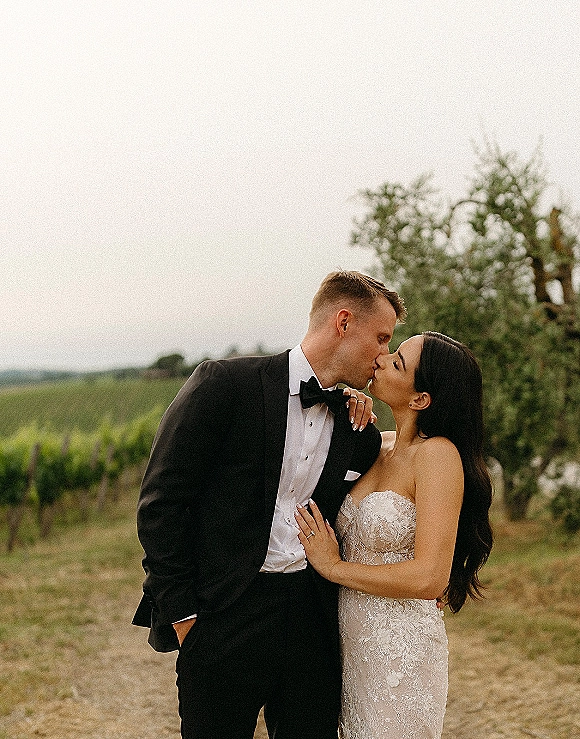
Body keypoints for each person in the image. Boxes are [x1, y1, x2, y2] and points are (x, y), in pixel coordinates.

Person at [132, 270, 406, 739]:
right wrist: (184, 617)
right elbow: (161, 503)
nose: (384, 356)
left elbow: (400, 482)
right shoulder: (225, 384)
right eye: (381, 339)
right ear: (343, 322)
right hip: (222, 618)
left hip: (311, 620)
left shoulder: (352, 422)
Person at [295, 331, 493, 739]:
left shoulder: (437, 455)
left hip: (399, 655)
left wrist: (335, 567)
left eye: (398, 362)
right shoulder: (373, 445)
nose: (382, 359)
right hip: (347, 645)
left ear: (421, 399)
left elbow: (429, 579)